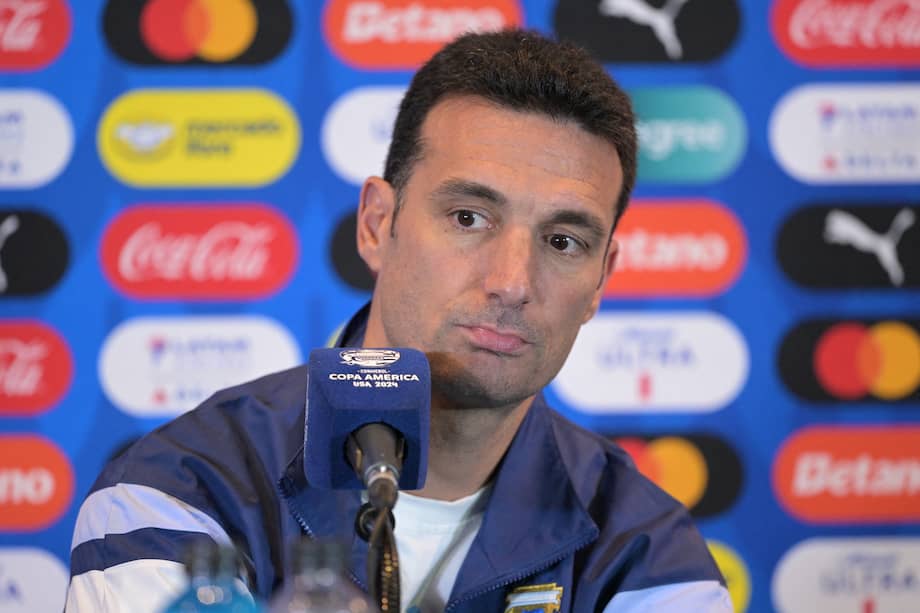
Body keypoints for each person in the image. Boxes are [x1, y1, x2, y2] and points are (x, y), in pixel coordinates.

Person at [66, 29, 732, 612]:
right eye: (469, 217)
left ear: (600, 281)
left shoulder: (647, 550)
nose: (512, 282)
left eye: (563, 241)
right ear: (376, 224)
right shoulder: (179, 490)